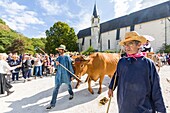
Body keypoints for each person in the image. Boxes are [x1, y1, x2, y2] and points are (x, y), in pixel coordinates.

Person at [108, 31, 166, 113]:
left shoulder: (148, 64)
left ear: (139, 45)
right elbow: (116, 76)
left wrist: (161, 110)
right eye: (125, 45)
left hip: (144, 107)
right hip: (124, 105)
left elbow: (156, 88)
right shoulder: (122, 62)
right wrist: (111, 87)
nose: (127, 47)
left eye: (130, 44)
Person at [46, 44, 74, 110]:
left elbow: (70, 67)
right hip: (58, 75)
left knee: (69, 85)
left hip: (66, 75)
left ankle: (71, 94)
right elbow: (55, 67)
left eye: (60, 49)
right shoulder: (58, 58)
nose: (59, 50)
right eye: (58, 49)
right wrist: (56, 64)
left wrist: (72, 75)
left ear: (63, 50)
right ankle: (52, 104)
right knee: (55, 89)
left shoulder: (67, 57)